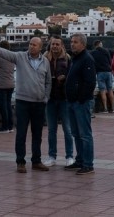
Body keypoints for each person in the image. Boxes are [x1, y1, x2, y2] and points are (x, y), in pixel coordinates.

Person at [0, 37, 51, 173]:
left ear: (40, 48)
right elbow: (6, 53)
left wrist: (45, 97)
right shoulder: (20, 57)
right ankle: (20, 162)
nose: (31, 46)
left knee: (37, 134)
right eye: (30, 44)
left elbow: (48, 81)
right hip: (23, 102)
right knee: (21, 133)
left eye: (34, 45)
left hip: (39, 103)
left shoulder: (45, 62)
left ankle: (36, 161)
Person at [65, 33, 97, 175]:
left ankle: (88, 164)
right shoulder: (75, 58)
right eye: (71, 41)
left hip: (81, 103)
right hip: (72, 101)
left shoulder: (87, 59)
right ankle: (80, 160)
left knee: (85, 134)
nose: (72, 44)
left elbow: (90, 82)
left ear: (83, 44)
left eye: (75, 42)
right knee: (76, 133)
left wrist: (81, 99)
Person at [44, 36, 74, 167]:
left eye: (57, 44)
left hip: (64, 99)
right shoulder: (44, 59)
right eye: (52, 44)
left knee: (67, 129)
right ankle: (52, 156)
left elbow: (73, 75)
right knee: (51, 130)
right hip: (50, 99)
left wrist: (65, 77)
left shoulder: (67, 59)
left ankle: (69, 156)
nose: (54, 46)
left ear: (62, 45)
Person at [0, 40, 16, 134]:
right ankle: (10, 126)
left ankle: (5, 127)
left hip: (1, 84)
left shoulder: (0, 59)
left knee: (3, 106)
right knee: (8, 105)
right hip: (11, 84)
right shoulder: (12, 58)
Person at [91, 40, 114, 113]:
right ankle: (113, 108)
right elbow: (110, 61)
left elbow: (92, 63)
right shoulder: (106, 51)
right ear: (100, 44)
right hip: (108, 72)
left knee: (102, 90)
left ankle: (105, 109)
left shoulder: (93, 53)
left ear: (95, 46)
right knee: (110, 90)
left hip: (100, 73)